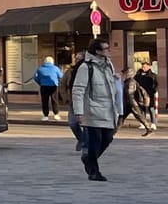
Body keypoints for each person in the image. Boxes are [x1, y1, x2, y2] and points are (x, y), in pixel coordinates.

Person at [69, 39, 122, 181]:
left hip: (108, 110)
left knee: (108, 138)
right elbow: (78, 90)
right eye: (106, 49)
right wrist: (79, 112)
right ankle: (94, 172)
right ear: (97, 51)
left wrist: (115, 78)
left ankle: (88, 159)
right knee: (95, 140)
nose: (108, 51)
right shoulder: (86, 67)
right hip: (92, 110)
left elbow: (110, 87)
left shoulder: (108, 65)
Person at [33, 56, 64, 121]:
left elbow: (35, 77)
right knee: (54, 100)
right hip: (54, 86)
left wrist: (40, 82)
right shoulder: (56, 68)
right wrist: (57, 82)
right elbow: (61, 76)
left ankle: (45, 116)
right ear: (52, 62)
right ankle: (56, 115)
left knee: (45, 101)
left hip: (44, 86)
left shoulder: (40, 69)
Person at [133, 58, 158, 135]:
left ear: (149, 67)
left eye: (145, 66)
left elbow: (156, 84)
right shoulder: (138, 75)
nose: (143, 68)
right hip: (140, 94)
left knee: (151, 108)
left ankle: (153, 123)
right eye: (142, 66)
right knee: (142, 109)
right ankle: (143, 123)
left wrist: (154, 91)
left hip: (149, 94)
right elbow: (134, 83)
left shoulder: (153, 76)